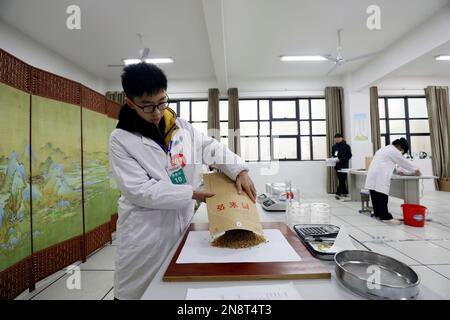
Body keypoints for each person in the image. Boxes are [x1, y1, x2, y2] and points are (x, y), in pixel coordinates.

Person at [109, 63, 256, 300]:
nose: (156, 111)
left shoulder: (180, 126)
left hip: (182, 225)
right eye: (147, 106)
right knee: (137, 292)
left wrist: (239, 170)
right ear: (130, 102)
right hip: (146, 233)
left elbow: (211, 147)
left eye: (161, 102)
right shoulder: (121, 139)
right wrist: (190, 194)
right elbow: (139, 190)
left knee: (177, 290)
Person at [365, 138, 421, 225]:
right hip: (380, 175)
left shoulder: (385, 149)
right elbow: (403, 162)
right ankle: (386, 217)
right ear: (399, 146)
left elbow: (392, 163)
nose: (401, 152)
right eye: (402, 150)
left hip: (373, 174)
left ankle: (378, 214)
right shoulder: (393, 151)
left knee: (375, 195)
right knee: (382, 195)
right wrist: (415, 170)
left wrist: (400, 171)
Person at [331, 133, 352, 200]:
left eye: (338, 138)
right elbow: (334, 155)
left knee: (342, 179)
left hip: (344, 165)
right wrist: (333, 159)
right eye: (335, 138)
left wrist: (341, 160)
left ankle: (338, 193)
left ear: (341, 138)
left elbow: (349, 156)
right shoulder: (334, 147)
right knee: (341, 179)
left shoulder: (346, 146)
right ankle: (345, 192)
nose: (336, 139)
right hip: (337, 165)